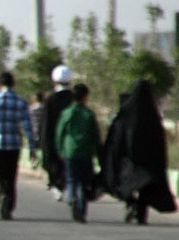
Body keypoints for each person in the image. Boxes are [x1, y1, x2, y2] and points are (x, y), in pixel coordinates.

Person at [102, 80, 177, 225]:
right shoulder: (153, 117)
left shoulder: (127, 114)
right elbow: (160, 143)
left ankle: (131, 203)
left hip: (130, 162)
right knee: (146, 190)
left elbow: (117, 138)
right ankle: (141, 216)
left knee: (125, 186)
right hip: (148, 164)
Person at [0, 72, 36, 220]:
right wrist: (32, 148)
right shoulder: (21, 102)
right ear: (13, 84)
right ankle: (9, 204)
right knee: (11, 176)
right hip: (14, 145)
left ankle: (2, 195)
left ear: (0, 84)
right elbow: (27, 127)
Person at [55, 83, 100, 223]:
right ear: (85, 97)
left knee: (72, 179)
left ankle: (71, 199)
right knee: (84, 182)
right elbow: (95, 136)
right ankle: (81, 208)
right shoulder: (89, 114)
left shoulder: (67, 113)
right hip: (85, 152)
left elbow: (59, 133)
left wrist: (60, 149)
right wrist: (98, 152)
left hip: (70, 151)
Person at [41, 65, 74, 200]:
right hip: (70, 141)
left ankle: (57, 185)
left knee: (54, 164)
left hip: (53, 141)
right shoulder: (74, 98)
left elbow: (46, 125)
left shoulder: (50, 100)